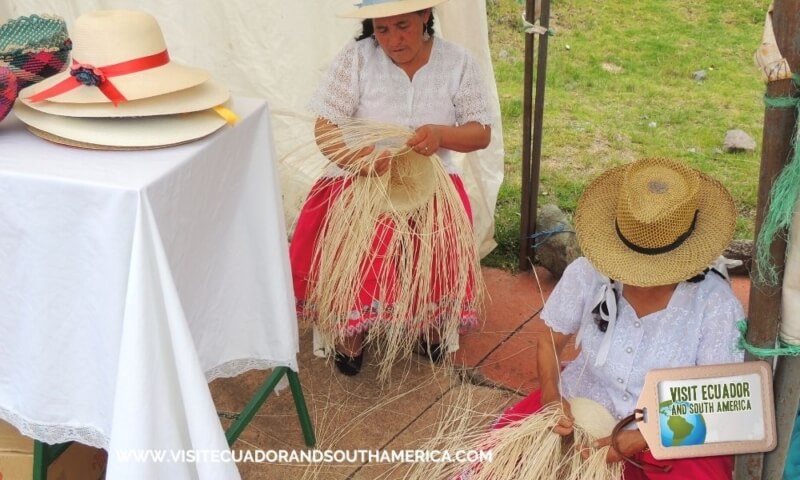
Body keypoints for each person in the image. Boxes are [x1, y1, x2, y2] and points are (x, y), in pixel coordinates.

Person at [494, 158, 745, 479]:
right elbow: (549, 340)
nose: (639, 276)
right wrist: (551, 396)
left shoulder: (714, 304)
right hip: (585, 398)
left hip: (673, 429)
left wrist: (645, 437)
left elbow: (721, 399)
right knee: (506, 464)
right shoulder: (587, 273)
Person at [290, 0, 492, 376]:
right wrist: (356, 159)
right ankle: (353, 329)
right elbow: (325, 128)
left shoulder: (457, 62)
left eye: (403, 25)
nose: (394, 39)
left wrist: (441, 134)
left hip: (431, 179)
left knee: (437, 241)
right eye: (382, 30)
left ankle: (431, 325)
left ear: (425, 16)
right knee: (365, 245)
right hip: (366, 176)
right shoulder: (357, 59)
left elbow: (480, 133)